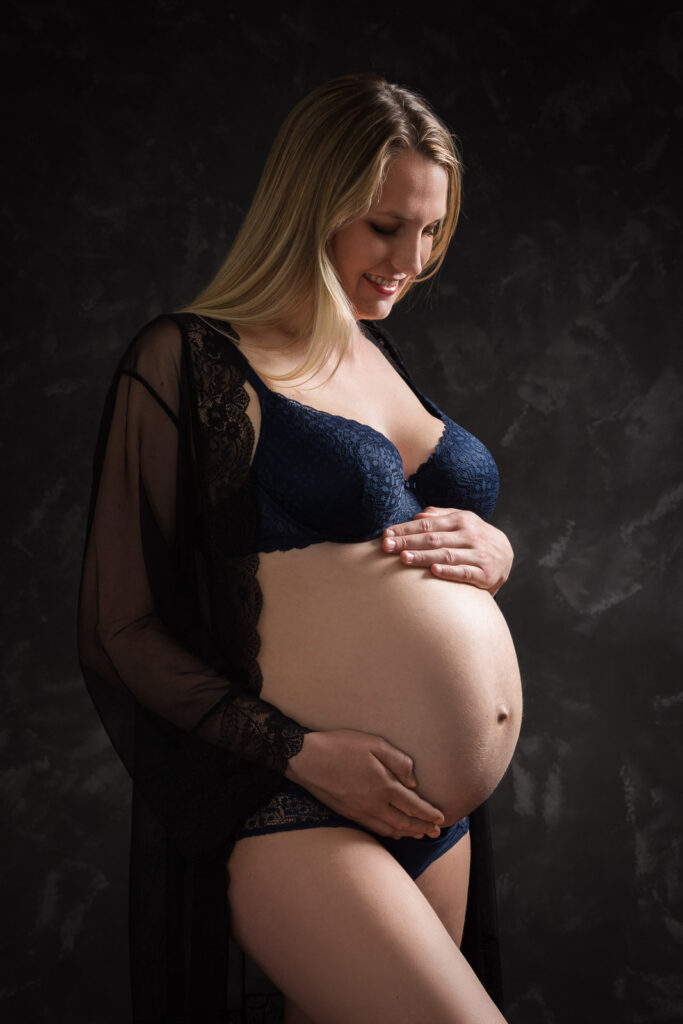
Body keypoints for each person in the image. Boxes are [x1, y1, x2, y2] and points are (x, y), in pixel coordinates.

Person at [78, 73, 521, 1023]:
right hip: (298, 803)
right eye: (384, 226)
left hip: (433, 819)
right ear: (308, 207)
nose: (411, 258)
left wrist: (495, 551)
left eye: (432, 230)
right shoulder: (186, 358)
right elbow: (116, 626)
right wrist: (298, 754)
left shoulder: (375, 352)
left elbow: (400, 551)